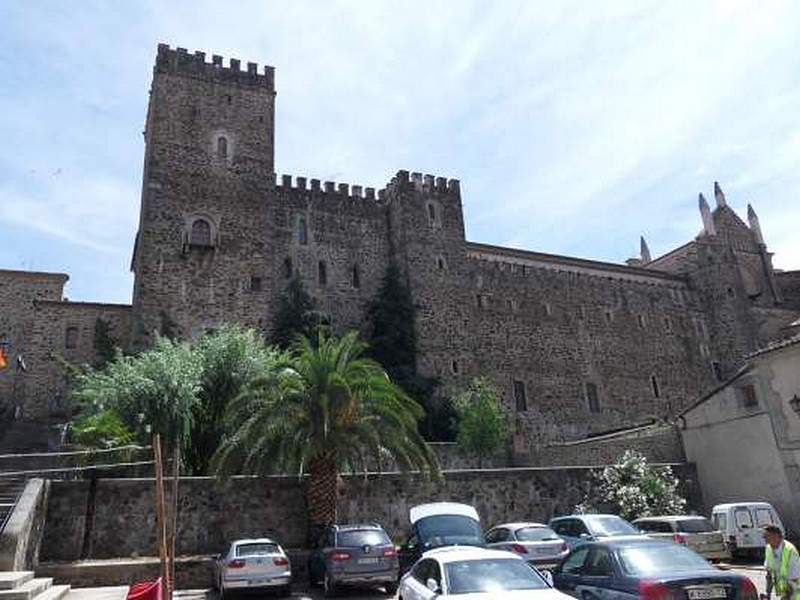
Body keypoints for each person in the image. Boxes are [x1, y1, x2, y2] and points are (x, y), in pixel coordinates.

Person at [762, 525, 800, 600]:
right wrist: (767, 594)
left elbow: (794, 579)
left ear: (776, 536)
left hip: (795, 592)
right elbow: (769, 574)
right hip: (785, 592)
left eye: (766, 536)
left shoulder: (790, 551)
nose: (764, 538)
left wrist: (786, 597)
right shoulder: (769, 548)